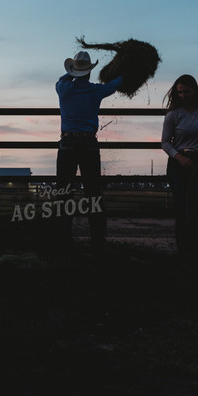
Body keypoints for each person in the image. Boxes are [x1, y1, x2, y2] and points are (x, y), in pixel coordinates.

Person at [55, 51, 123, 250]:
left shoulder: (63, 88)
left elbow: (62, 78)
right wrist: (125, 72)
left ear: (73, 70)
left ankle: (63, 237)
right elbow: (116, 83)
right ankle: (98, 239)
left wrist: (71, 72)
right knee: (93, 191)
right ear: (89, 72)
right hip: (88, 144)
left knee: (63, 192)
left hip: (67, 143)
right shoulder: (96, 91)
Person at [161, 74, 198, 259]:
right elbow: (165, 142)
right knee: (183, 207)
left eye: (186, 91)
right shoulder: (173, 115)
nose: (183, 95)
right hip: (179, 163)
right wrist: (179, 157)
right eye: (179, 92)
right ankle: (187, 249)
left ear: (194, 91)